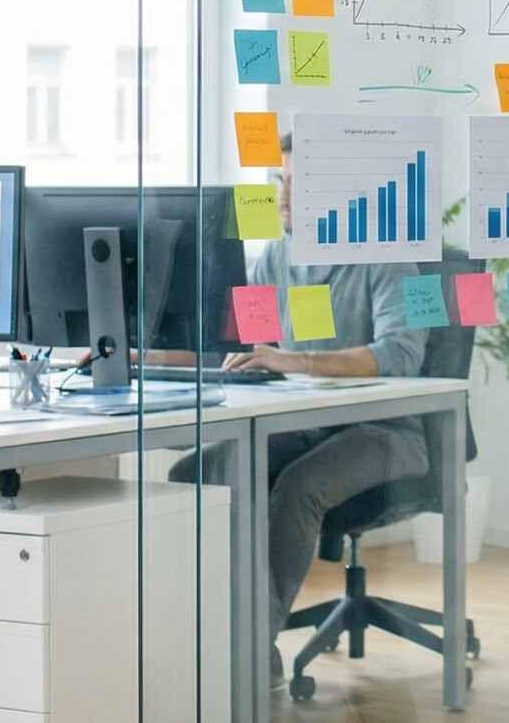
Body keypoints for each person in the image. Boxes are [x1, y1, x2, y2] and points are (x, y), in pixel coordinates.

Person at [168, 135, 429, 689]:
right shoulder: (277, 258)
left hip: (385, 431)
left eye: (298, 184)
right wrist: (141, 351)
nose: (284, 197)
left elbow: (400, 357)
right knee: (193, 474)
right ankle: (212, 631)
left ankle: (251, 652)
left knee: (297, 487)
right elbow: (243, 349)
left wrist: (299, 359)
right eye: (280, 182)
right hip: (304, 424)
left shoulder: (386, 255)